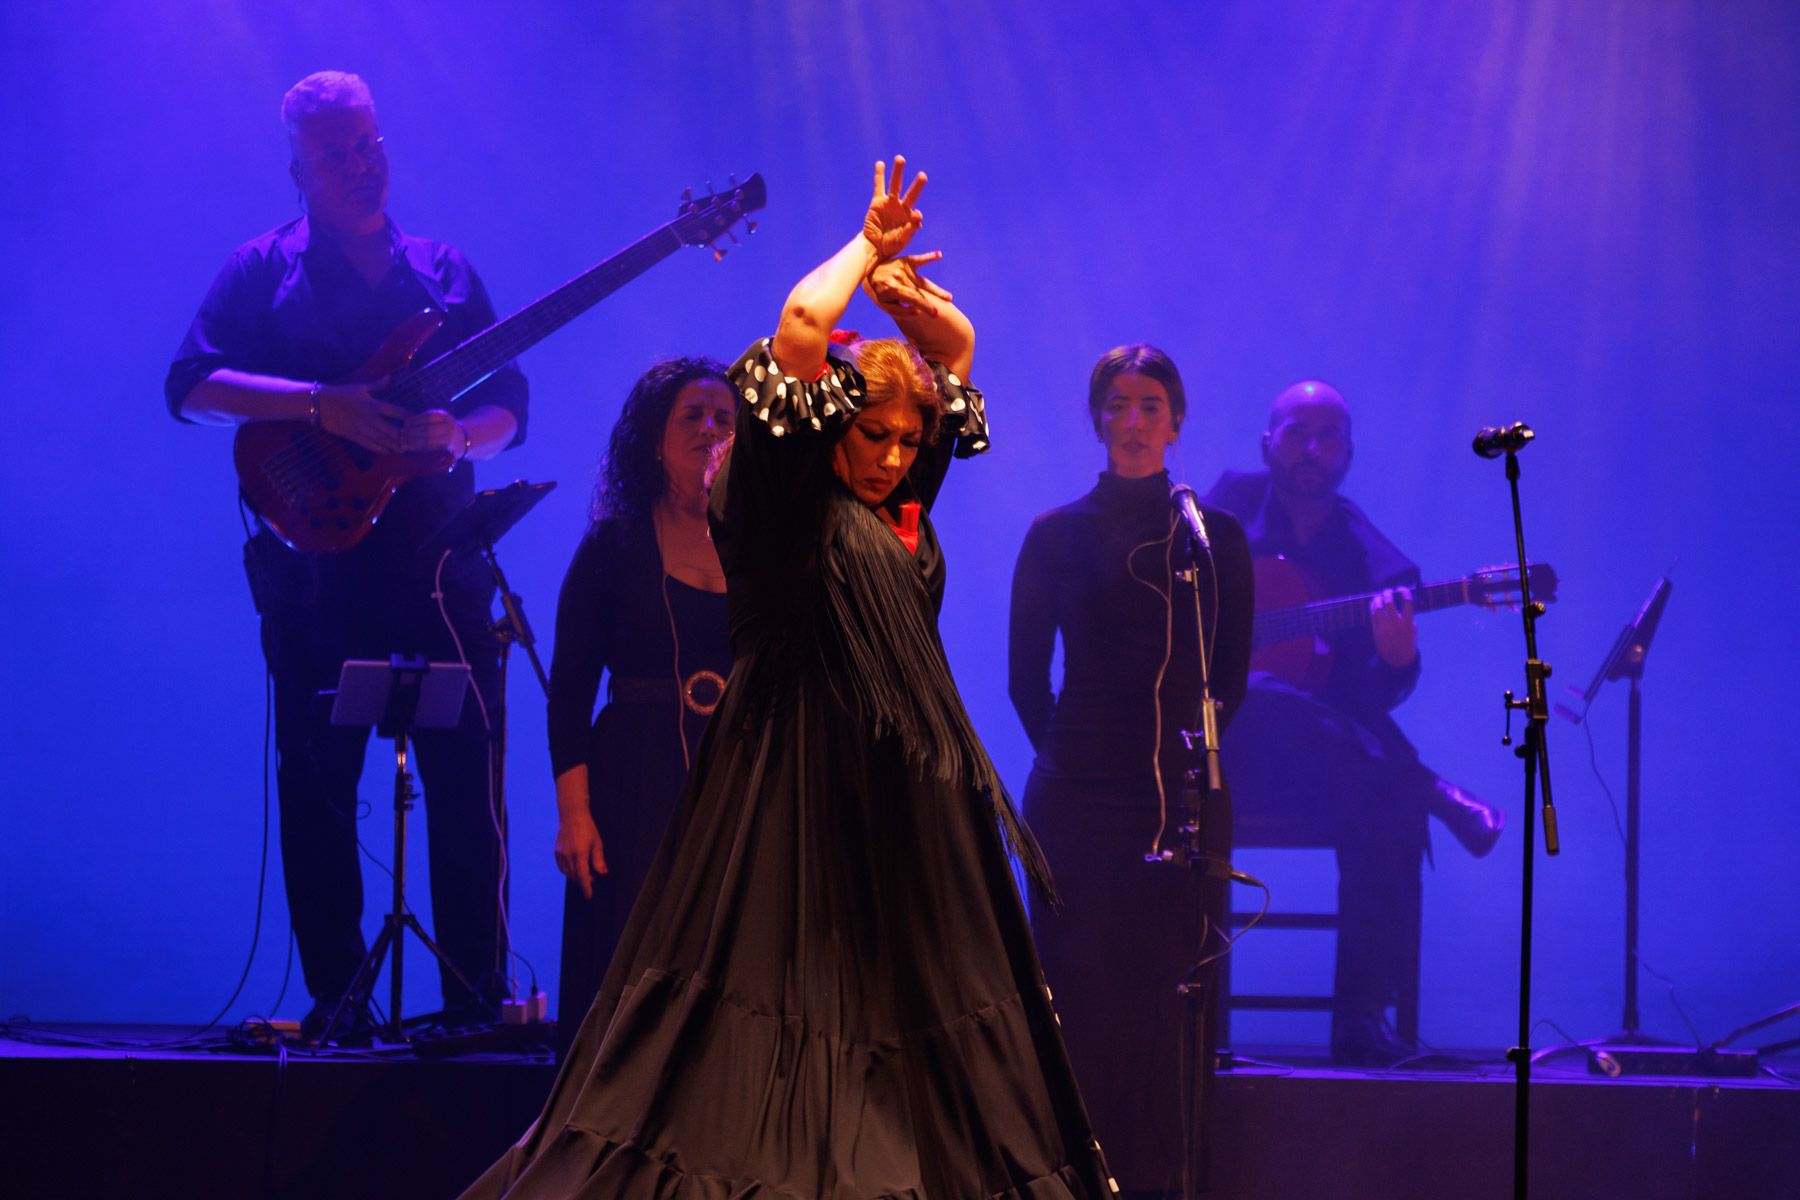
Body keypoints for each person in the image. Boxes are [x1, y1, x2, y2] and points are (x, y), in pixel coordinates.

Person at [462, 158, 1114, 1200]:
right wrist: (866, 251)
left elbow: (953, 358)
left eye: (908, 440)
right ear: (827, 430)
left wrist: (915, 305)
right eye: (874, 435)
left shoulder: (900, 505)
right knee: (763, 1006)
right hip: (785, 775)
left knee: (912, 1007)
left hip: (900, 785)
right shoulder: (776, 503)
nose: (895, 455)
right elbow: (803, 330)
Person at [164, 71, 528, 1037]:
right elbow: (191, 386)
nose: (362, 165)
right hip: (316, 571)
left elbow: (511, 408)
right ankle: (340, 1003)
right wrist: (320, 404)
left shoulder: (443, 272)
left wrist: (459, 437)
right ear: (299, 169)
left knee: (466, 785)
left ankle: (475, 1006)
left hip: (442, 568)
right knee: (319, 786)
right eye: (337, 154)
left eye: (370, 145)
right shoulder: (260, 270)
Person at [1009, 346, 1255, 1196]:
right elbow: (1023, 677)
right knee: (1074, 991)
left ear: (1176, 422)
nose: (1136, 419)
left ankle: (1161, 1179)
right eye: (1119, 403)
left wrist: (1184, 769)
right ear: (1099, 419)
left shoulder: (1213, 537)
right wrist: (1073, 760)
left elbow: (1229, 677)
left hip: (1178, 797)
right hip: (1076, 798)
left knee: (1167, 1004)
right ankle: (1069, 1175)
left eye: (1152, 404)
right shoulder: (1056, 534)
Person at [1202, 379, 1504, 1066]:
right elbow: (1169, 595)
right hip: (1227, 759)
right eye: (1296, 433)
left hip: (1320, 769)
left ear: (1348, 453)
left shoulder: (1381, 567)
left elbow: (1374, 701)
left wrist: (1397, 662)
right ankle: (1430, 787)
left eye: (1327, 436)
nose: (1311, 448)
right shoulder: (1223, 510)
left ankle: (1361, 1020)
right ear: (1267, 443)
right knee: (1260, 689)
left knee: (1386, 807)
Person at [544, 358, 736, 1060]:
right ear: (654, 438)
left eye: (724, 417)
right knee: (625, 971)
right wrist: (574, 814)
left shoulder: (761, 545)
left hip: (735, 772)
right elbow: (568, 692)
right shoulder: (614, 543)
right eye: (693, 416)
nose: (711, 429)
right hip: (633, 776)